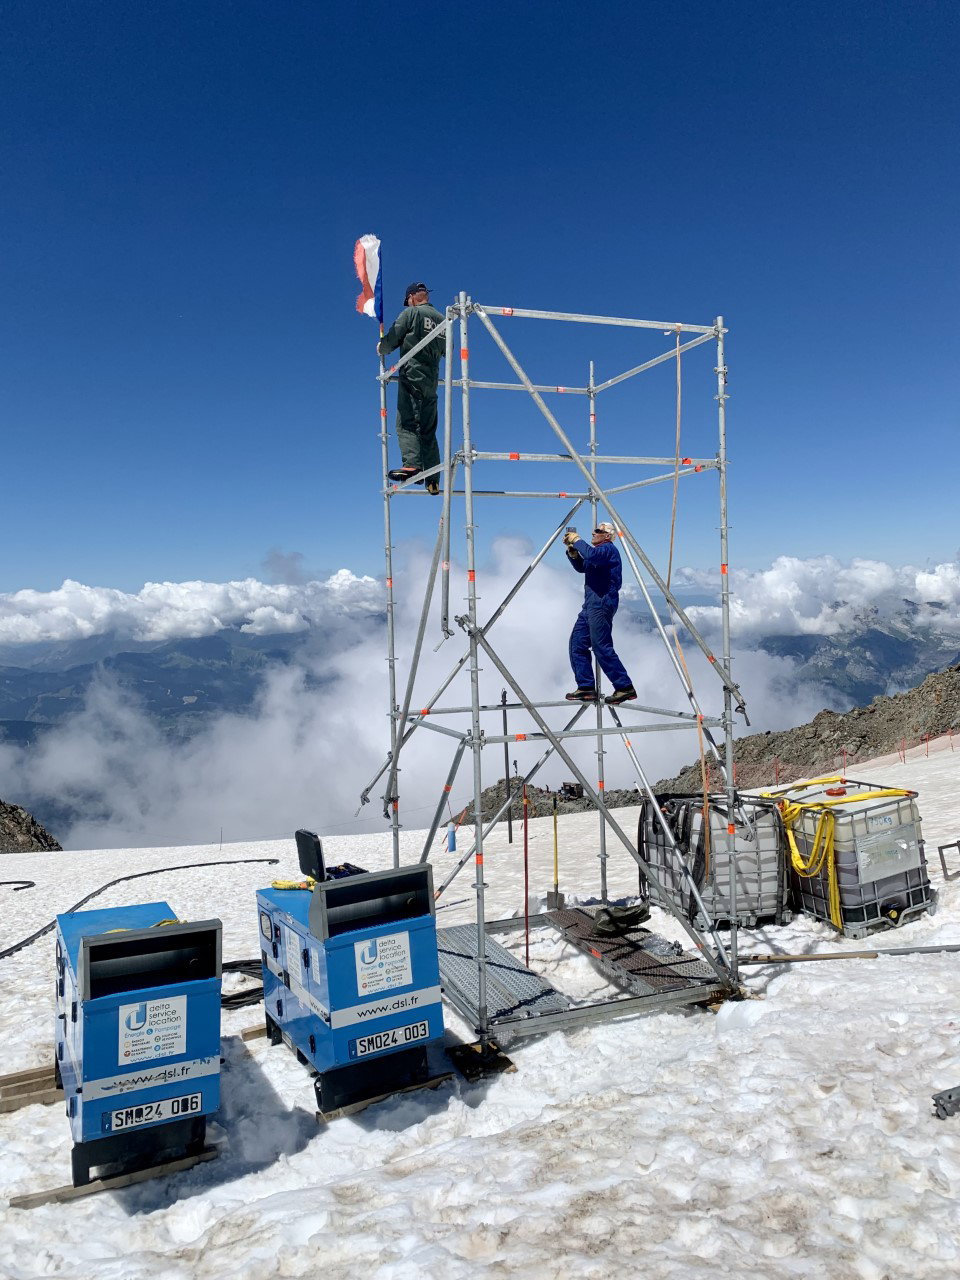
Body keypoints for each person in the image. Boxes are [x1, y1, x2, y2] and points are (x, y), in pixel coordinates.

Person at [378, 283, 445, 495]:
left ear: (411, 298)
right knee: (428, 430)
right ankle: (433, 479)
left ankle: (413, 466)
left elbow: (391, 340)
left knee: (406, 423)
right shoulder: (444, 321)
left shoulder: (411, 313)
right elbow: (447, 350)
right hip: (432, 382)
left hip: (412, 376)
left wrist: (381, 346)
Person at [563, 522, 637, 705]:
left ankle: (624, 687)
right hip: (590, 604)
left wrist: (577, 540)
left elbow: (592, 555)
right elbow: (583, 566)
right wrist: (573, 553)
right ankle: (586, 687)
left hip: (602, 603)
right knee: (577, 644)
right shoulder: (599, 554)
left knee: (600, 646)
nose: (593, 533)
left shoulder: (607, 550)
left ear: (607, 536)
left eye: (598, 531)